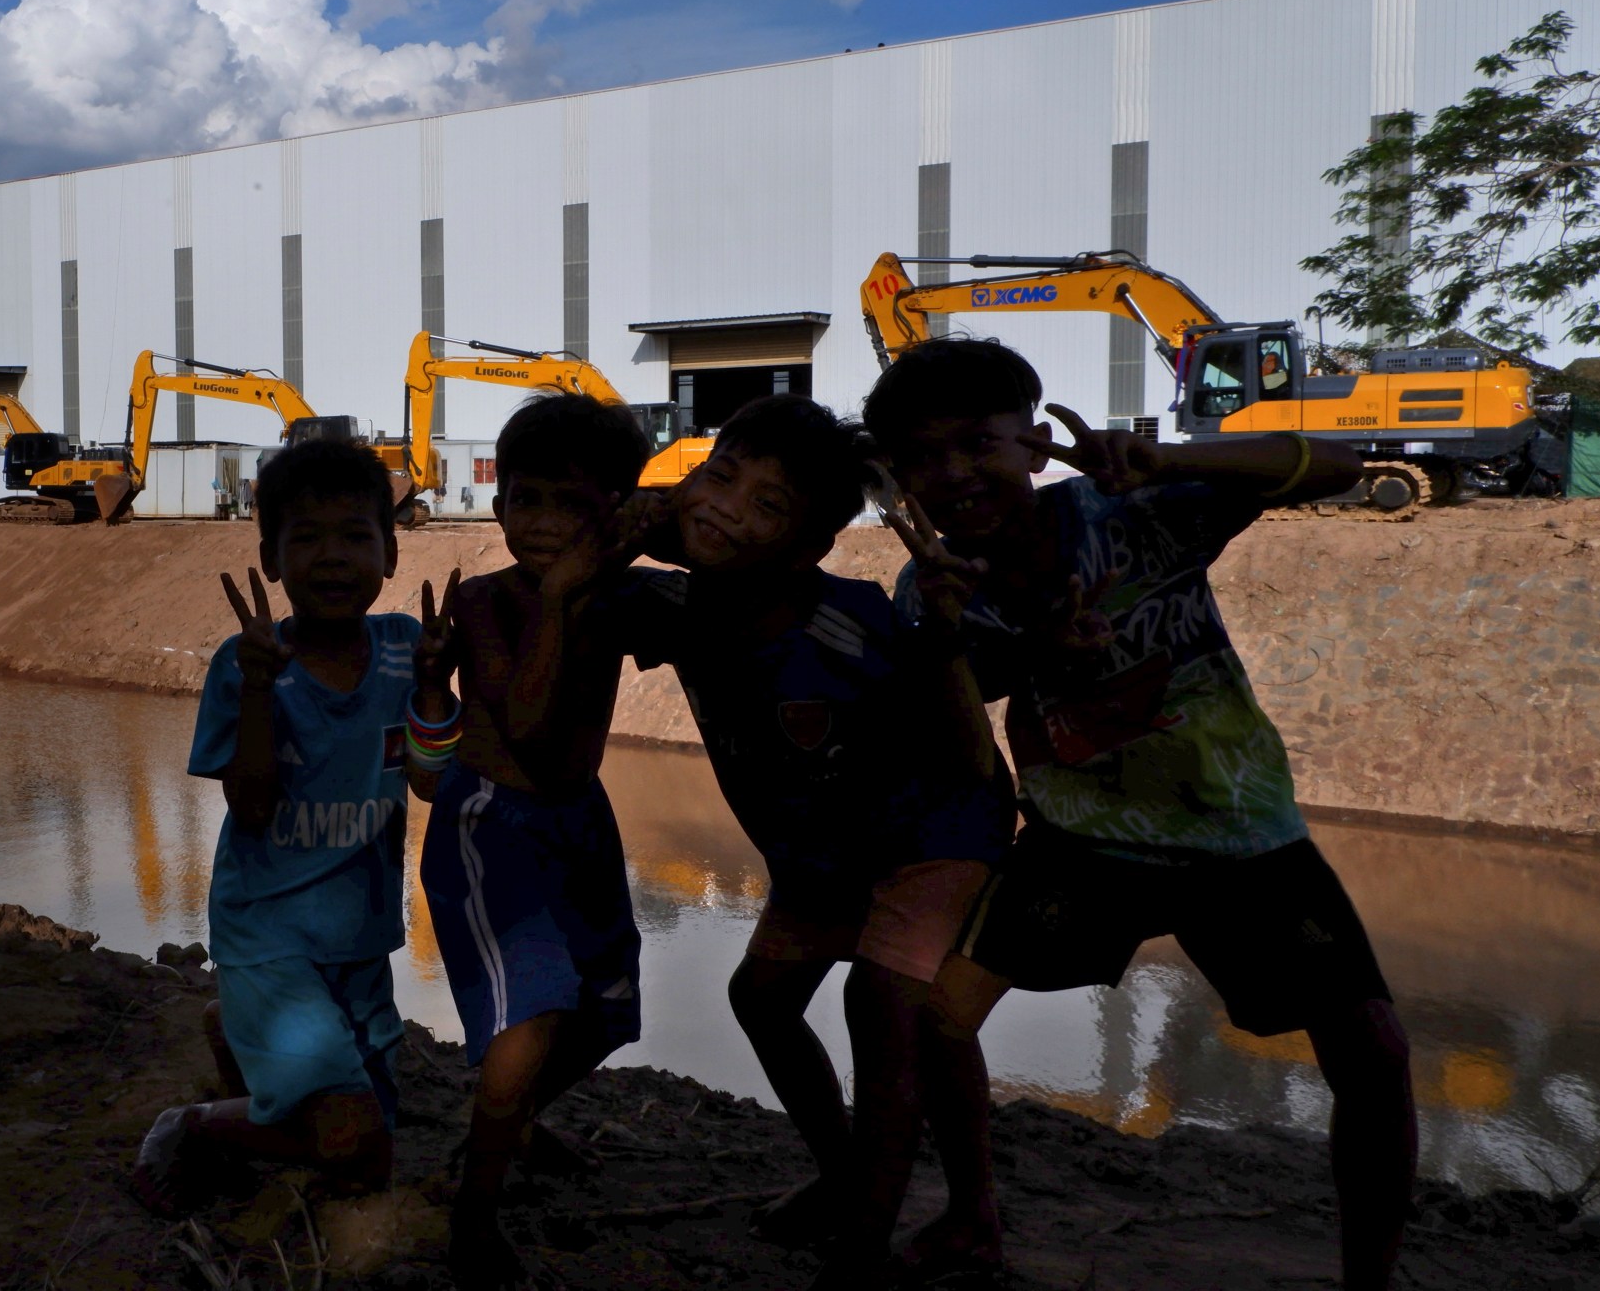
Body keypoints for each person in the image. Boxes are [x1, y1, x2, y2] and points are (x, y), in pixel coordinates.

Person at [863, 338, 1415, 1291]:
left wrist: (1176, 456)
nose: (951, 473)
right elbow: (964, 752)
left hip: (1242, 837)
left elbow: (1337, 464)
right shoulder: (932, 590)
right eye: (922, 457)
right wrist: (970, 641)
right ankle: (972, 1218)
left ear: (1036, 446)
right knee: (941, 1021)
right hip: (1080, 843)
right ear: (901, 481)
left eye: (975, 443)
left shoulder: (1135, 510)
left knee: (1372, 1049)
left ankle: (1372, 1277)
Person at [638, 395, 1013, 1284]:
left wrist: (949, 634)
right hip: (825, 855)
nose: (730, 507)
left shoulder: (852, 625)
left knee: (888, 1017)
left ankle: (864, 1237)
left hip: (932, 833)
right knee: (764, 1000)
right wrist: (641, 524)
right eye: (719, 477)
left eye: (769, 506)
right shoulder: (672, 607)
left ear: (808, 548)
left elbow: (967, 753)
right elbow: (594, 564)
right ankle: (849, 1176)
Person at [131, 438, 459, 1216]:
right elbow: (248, 806)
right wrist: (256, 690)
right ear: (270, 560)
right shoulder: (243, 663)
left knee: (368, 1117)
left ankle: (233, 1030)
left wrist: (436, 689)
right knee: (362, 1151)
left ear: (391, 549)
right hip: (268, 934)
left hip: (359, 937)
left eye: (355, 536)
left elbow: (431, 781)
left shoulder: (405, 651)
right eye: (305, 538)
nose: (333, 557)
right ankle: (193, 1125)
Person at [420, 393, 659, 1290]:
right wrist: (559, 600)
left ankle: (514, 1120)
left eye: (576, 506)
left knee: (605, 1010)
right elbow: (522, 719)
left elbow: (713, 618)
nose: (547, 524)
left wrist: (656, 534)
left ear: (613, 513)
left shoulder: (628, 593)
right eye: (529, 501)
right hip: (493, 825)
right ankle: (471, 1216)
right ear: (498, 503)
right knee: (532, 1017)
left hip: (579, 819)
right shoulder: (483, 602)